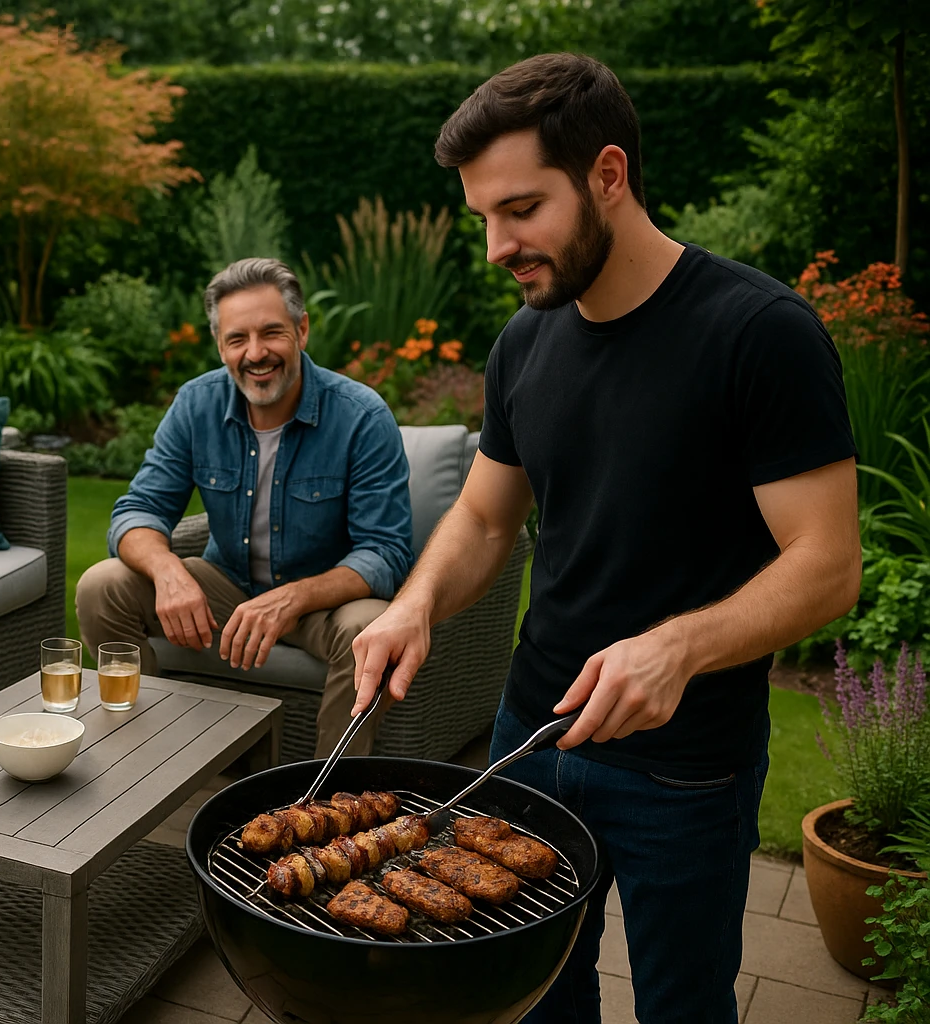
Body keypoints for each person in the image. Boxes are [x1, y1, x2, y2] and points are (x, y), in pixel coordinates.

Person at [349, 53, 861, 1023]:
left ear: (609, 175)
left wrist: (679, 645)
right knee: (533, 992)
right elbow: (488, 514)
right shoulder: (525, 342)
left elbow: (829, 563)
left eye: (521, 209)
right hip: (529, 734)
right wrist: (412, 604)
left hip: (686, 761)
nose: (498, 244)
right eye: (484, 219)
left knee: (682, 1003)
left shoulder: (758, 332)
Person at [77, 257, 415, 756]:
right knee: (101, 586)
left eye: (271, 333)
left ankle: (325, 800)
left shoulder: (361, 416)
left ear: (301, 330)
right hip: (228, 590)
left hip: (323, 605)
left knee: (367, 624)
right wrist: (169, 572)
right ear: (220, 346)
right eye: (238, 339)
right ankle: (142, 757)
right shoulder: (197, 404)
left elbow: (385, 552)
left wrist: (294, 598)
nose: (255, 353)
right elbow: (138, 511)